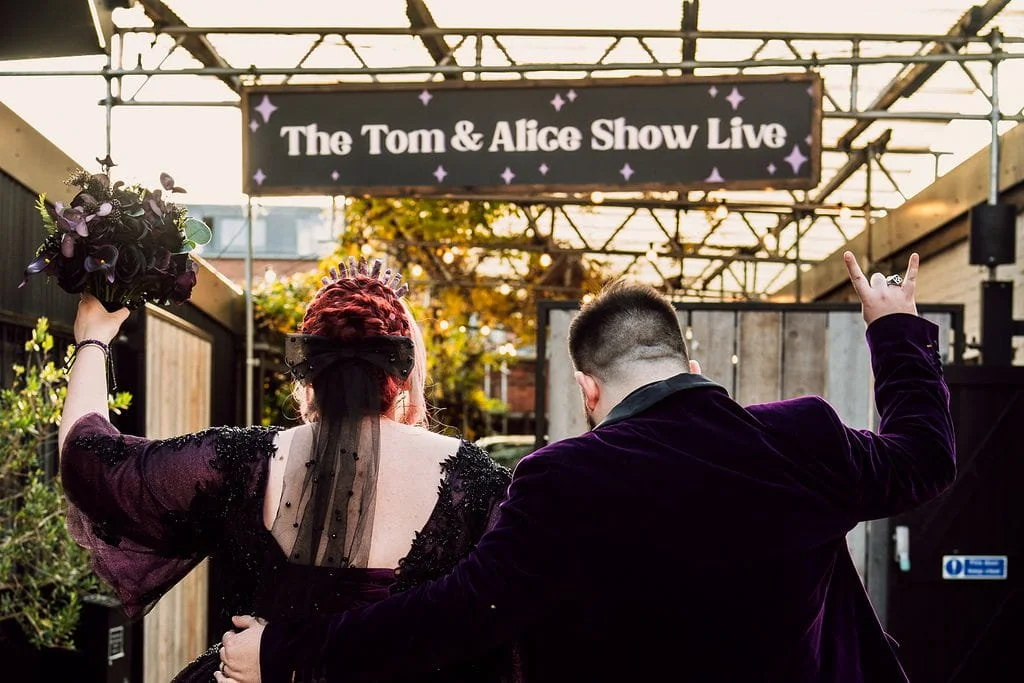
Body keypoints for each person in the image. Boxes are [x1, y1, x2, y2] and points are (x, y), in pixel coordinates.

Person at [219, 251, 955, 683]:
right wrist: (891, 328)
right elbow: (925, 456)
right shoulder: (805, 437)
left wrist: (284, 650)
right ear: (690, 366)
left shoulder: (563, 479)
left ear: (588, 389)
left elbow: (451, 617)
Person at [58, 258, 516, 682]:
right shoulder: (473, 479)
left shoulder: (241, 459)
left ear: (307, 371)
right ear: (402, 367)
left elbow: (89, 458)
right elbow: (502, 623)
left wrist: (94, 336)